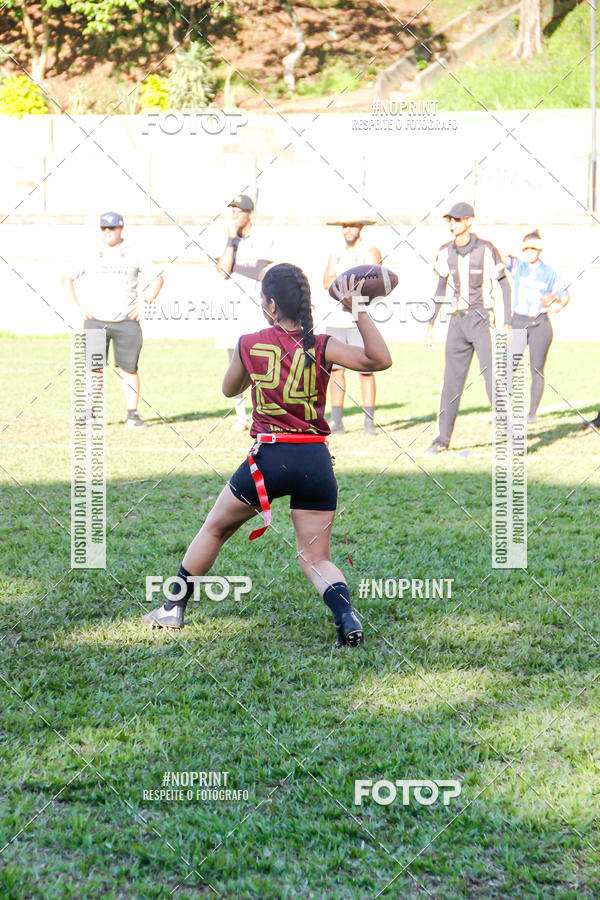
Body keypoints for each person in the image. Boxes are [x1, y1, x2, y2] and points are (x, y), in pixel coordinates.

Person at [143, 262, 392, 647]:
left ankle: (172, 608)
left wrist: (252, 364)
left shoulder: (249, 342)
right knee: (315, 558)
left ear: (272, 306)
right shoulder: (322, 345)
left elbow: (229, 390)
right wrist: (356, 308)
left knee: (215, 528)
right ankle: (345, 615)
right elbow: (379, 360)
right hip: (314, 460)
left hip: (270, 459)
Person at [424, 201, 511, 453]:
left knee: (493, 377)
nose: (453, 223)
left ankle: (509, 436)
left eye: (458, 219)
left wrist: (507, 321)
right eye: (450, 219)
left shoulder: (486, 249)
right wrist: (431, 323)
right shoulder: (444, 251)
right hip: (457, 321)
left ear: (469, 221)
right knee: (450, 381)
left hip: (483, 319)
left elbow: (504, 285)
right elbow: (440, 288)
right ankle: (441, 438)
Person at [62, 211, 164, 427]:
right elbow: (67, 278)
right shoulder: (90, 253)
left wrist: (145, 302)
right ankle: (89, 412)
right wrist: (77, 307)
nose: (108, 232)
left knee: (128, 369)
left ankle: (132, 415)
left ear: (121, 229)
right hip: (96, 320)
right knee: (94, 367)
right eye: (104, 228)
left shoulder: (134, 252)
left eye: (113, 228)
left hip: (127, 321)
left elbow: (158, 279)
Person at [215, 193, 273, 432]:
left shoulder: (262, 238)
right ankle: (241, 416)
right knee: (234, 364)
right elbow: (223, 271)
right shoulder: (229, 239)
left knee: (261, 365)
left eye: (240, 211)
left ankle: (265, 413)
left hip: (255, 311)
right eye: (233, 212)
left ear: (251, 214)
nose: (235, 216)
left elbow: (263, 270)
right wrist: (231, 241)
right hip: (233, 311)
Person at [322, 218, 382, 435]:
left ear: (361, 228)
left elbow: (370, 281)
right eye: (344, 226)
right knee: (336, 371)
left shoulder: (370, 250)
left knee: (366, 370)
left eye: (352, 226)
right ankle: (336, 420)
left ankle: (369, 421)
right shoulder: (335, 252)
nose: (348, 230)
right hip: (336, 319)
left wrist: (343, 281)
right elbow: (326, 282)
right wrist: (349, 280)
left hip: (359, 318)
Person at [505, 230, 570, 423]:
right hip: (518, 322)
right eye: (527, 248)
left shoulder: (549, 272)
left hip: (539, 324)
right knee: (507, 367)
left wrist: (557, 305)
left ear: (540, 250)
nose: (531, 252)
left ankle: (532, 413)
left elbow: (565, 295)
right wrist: (519, 245)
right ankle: (503, 410)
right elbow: (499, 255)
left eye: (534, 248)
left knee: (537, 369)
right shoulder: (518, 266)